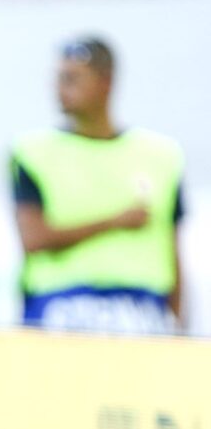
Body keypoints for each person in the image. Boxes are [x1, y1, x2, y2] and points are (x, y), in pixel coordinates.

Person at [11, 37, 185, 334]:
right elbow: (33, 237)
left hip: (143, 309)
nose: (60, 88)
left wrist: (178, 323)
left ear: (106, 83)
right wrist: (115, 222)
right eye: (59, 78)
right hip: (61, 306)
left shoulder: (161, 155)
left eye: (72, 78)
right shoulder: (33, 152)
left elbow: (172, 246)